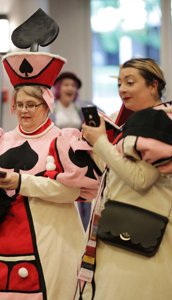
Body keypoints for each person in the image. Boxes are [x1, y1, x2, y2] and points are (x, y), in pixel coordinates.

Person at [0, 9, 101, 300]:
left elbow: (73, 191)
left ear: (46, 105)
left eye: (32, 104)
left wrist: (21, 183)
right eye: (21, 104)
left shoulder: (64, 141)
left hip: (47, 243)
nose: (25, 111)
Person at [78, 58, 172, 299]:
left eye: (130, 82)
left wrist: (99, 141)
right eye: (119, 83)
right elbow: (116, 173)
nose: (122, 89)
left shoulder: (157, 120)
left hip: (141, 230)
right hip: (124, 226)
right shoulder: (140, 120)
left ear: (153, 85)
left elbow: (140, 178)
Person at [52, 72, 91, 230]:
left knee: (81, 190)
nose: (70, 88)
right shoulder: (51, 108)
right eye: (66, 85)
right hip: (56, 156)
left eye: (73, 86)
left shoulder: (82, 107)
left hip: (79, 155)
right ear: (58, 88)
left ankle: (82, 227)